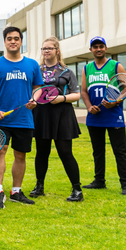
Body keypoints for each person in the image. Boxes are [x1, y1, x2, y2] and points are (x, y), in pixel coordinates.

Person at [0, 26, 44, 209]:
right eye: (9, 38)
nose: (13, 41)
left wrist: (35, 99)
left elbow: (38, 87)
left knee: (20, 155)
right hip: (2, 119)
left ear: (21, 41)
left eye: (16, 38)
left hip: (24, 119)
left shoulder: (32, 64)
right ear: (5, 41)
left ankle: (16, 192)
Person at [29, 37, 83, 202]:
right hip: (42, 114)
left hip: (62, 114)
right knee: (42, 153)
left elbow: (77, 94)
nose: (46, 51)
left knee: (65, 152)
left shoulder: (67, 71)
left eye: (49, 48)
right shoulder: (36, 70)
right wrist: (33, 99)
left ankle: (77, 190)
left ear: (57, 51)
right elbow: (33, 89)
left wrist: (62, 98)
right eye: (43, 48)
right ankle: (39, 187)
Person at [80, 36, 126, 195]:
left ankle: (125, 184)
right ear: (91, 50)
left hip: (113, 116)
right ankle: (99, 181)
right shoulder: (86, 68)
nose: (98, 49)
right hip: (94, 116)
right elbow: (83, 91)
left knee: (120, 151)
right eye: (95, 47)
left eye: (101, 46)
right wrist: (89, 106)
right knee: (98, 151)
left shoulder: (116, 66)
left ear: (106, 48)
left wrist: (116, 101)